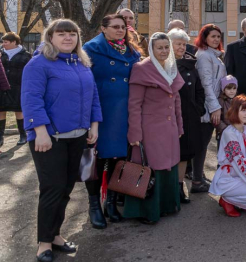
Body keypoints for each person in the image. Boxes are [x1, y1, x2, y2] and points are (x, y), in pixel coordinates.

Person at [22, 19, 101, 262]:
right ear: (50, 37)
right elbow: (31, 99)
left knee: (66, 189)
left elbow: (94, 97)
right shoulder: (39, 64)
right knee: (52, 189)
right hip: (49, 139)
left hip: (78, 137)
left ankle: (55, 235)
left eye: (72, 34)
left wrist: (94, 125)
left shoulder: (82, 63)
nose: (68, 38)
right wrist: (40, 132)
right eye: (62, 34)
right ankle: (44, 243)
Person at [82, 14, 141, 229]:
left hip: (124, 112)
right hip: (100, 112)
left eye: (122, 27)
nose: (119, 30)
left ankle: (111, 202)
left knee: (119, 159)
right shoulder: (90, 49)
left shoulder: (132, 51)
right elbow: (84, 82)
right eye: (115, 27)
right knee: (96, 160)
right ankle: (94, 205)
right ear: (103, 28)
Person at [125, 32, 184, 225]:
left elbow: (176, 100)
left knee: (168, 166)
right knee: (150, 167)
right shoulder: (142, 68)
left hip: (169, 128)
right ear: (151, 48)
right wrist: (134, 132)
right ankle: (148, 211)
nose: (164, 51)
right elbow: (134, 104)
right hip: (149, 129)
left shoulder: (171, 67)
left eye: (167, 47)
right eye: (160, 47)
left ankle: (167, 206)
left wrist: (179, 125)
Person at [170, 28, 206, 203]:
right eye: (178, 44)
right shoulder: (164, 65)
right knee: (168, 153)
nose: (182, 47)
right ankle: (168, 189)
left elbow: (199, 90)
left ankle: (179, 187)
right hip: (168, 117)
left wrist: (198, 108)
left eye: (184, 44)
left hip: (189, 116)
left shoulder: (191, 65)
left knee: (184, 153)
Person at [193, 24, 227, 192]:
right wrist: (215, 108)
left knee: (204, 142)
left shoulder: (214, 55)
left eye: (218, 36)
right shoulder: (204, 56)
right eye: (212, 36)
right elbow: (206, 84)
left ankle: (199, 176)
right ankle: (197, 181)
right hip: (207, 107)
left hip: (212, 104)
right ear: (204, 38)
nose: (216, 39)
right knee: (201, 143)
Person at [0, 32, 30, 146]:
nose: (3, 44)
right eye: (3, 42)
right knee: (1, 110)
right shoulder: (1, 54)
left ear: (14, 42)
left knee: (19, 110)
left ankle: (23, 135)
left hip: (19, 87)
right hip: (2, 87)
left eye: (6, 42)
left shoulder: (26, 55)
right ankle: (0, 137)